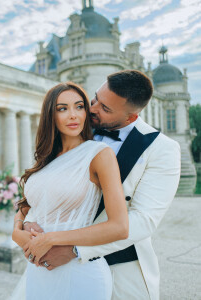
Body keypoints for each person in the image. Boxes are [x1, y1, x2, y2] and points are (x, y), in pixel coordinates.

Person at [22, 70, 181, 300]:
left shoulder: (163, 149)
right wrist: (29, 223)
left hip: (121, 267)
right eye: (95, 98)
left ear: (131, 117)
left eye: (105, 109)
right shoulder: (75, 128)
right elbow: (43, 185)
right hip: (53, 261)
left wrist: (76, 250)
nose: (92, 109)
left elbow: (143, 220)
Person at [11, 82, 129, 300]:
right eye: (62, 109)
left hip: (80, 272)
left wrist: (51, 239)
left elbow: (120, 227)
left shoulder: (99, 154)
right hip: (39, 272)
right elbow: (26, 207)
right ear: (50, 115)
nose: (73, 115)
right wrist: (18, 231)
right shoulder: (45, 159)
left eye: (79, 106)